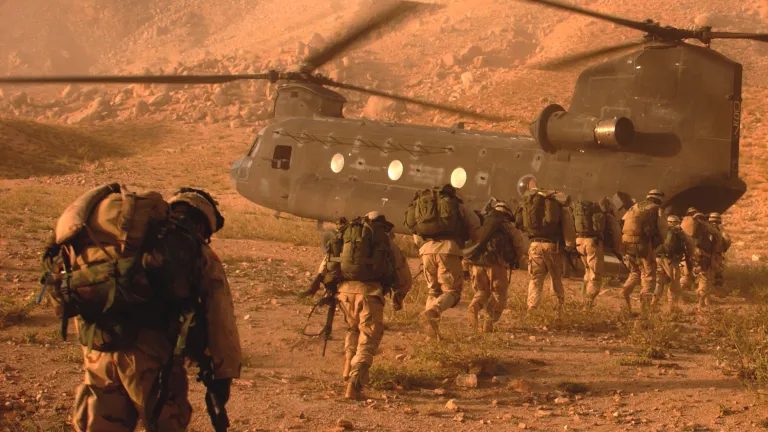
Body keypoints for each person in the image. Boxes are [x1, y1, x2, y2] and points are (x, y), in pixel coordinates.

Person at [59, 186, 241, 432]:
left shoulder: (118, 238)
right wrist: (223, 375)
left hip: (98, 346)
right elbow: (220, 318)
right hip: (150, 357)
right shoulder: (192, 249)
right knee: (166, 422)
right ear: (203, 224)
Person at [312, 212, 408, 400]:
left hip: (345, 294)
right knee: (368, 339)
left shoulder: (345, 237)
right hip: (370, 294)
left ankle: (347, 367)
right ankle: (353, 386)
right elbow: (404, 276)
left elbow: (324, 267)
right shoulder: (386, 243)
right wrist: (399, 296)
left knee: (352, 329)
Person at [407, 184, 481, 340]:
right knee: (452, 291)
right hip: (448, 250)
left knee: (433, 291)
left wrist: (425, 248)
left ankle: (432, 334)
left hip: (426, 250)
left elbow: (415, 233)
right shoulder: (459, 206)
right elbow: (476, 228)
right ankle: (433, 311)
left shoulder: (423, 207)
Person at [465, 200, 526, 332]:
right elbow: (518, 244)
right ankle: (488, 322)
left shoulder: (484, 223)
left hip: (477, 263)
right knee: (499, 295)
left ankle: (474, 307)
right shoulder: (507, 226)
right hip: (496, 264)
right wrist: (519, 261)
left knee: (482, 291)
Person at [516, 188, 575, 310]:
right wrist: (570, 245)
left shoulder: (530, 206)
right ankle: (559, 306)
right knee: (555, 278)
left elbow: (521, 225)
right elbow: (567, 227)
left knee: (536, 278)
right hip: (552, 246)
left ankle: (532, 306)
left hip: (534, 245)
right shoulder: (559, 207)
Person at [620, 189, 668, 314]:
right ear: (659, 199)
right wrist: (662, 246)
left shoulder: (634, 207)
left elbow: (623, 222)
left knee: (634, 272)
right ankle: (644, 311)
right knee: (648, 276)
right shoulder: (657, 210)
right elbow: (663, 231)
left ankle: (624, 294)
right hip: (645, 247)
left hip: (628, 247)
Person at [680, 212, 721, 312]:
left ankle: (678, 298)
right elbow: (717, 235)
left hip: (689, 255)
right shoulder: (705, 226)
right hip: (702, 256)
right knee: (704, 278)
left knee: (686, 276)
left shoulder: (686, 226)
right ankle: (700, 304)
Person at [651, 215, 692, 313]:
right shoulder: (677, 232)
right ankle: (672, 307)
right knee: (675, 282)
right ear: (677, 223)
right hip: (670, 260)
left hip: (657, 258)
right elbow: (688, 244)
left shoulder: (661, 230)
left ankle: (653, 303)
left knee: (659, 282)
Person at [708, 212, 731, 296]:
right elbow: (727, 241)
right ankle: (716, 292)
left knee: (705, 274)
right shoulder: (721, 229)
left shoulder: (706, 228)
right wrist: (723, 250)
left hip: (706, 255)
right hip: (717, 255)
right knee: (717, 274)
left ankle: (706, 293)